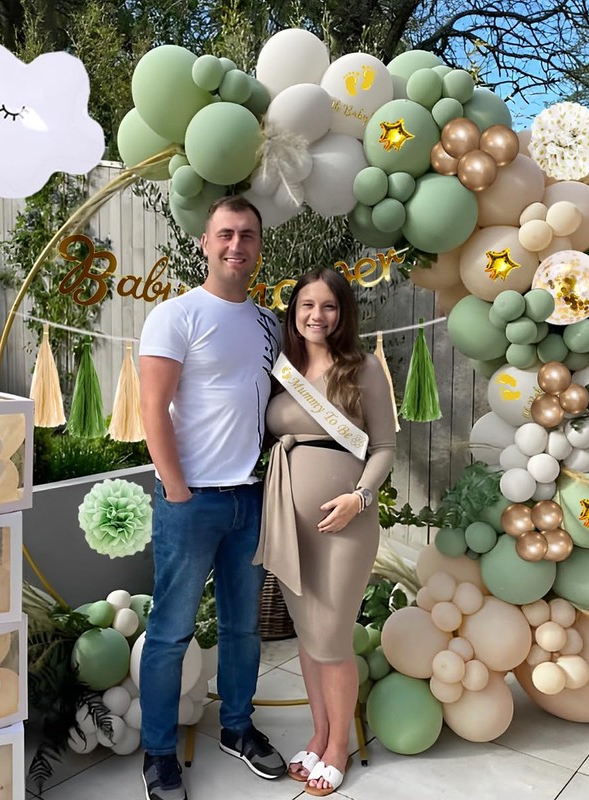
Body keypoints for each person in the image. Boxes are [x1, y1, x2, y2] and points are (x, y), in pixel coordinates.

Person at [138, 195, 286, 800]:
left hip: (249, 500)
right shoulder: (175, 315)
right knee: (171, 631)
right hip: (190, 500)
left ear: (258, 245)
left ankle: (237, 727)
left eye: (247, 234)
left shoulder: (269, 324)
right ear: (205, 242)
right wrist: (176, 488)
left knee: (243, 627)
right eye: (225, 233)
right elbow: (152, 408)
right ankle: (158, 753)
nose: (236, 245)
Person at [255, 268, 396, 797]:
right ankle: (319, 734)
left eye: (329, 306)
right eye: (307, 306)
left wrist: (360, 497)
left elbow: (384, 447)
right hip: (287, 519)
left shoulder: (363, 368)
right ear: (293, 311)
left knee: (332, 636)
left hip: (345, 523)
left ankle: (339, 747)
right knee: (308, 635)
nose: (317, 316)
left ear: (343, 313)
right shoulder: (280, 368)